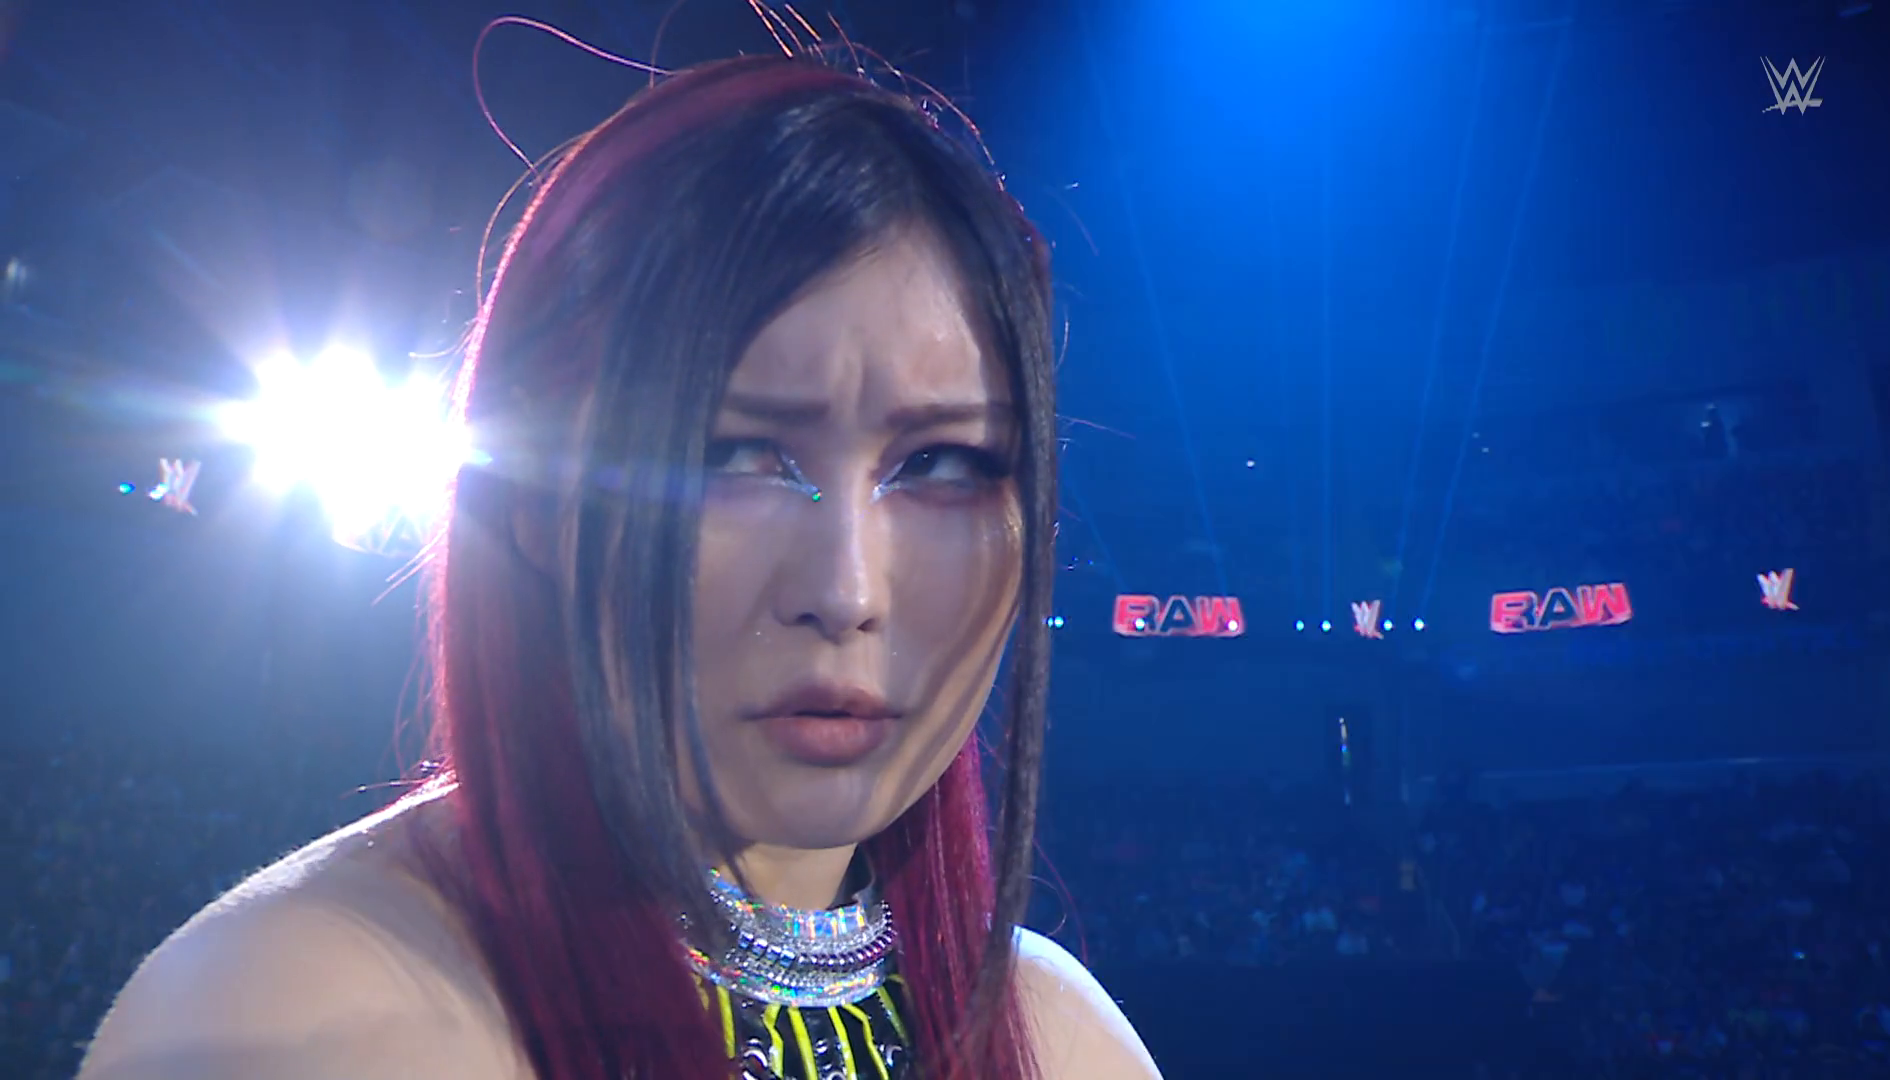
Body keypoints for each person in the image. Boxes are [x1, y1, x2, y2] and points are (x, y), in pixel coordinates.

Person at [77, 53, 1160, 1080]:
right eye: (737, 456)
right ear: (537, 496)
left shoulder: (1065, 1039)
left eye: (942, 464)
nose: (847, 592)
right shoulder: (294, 1022)